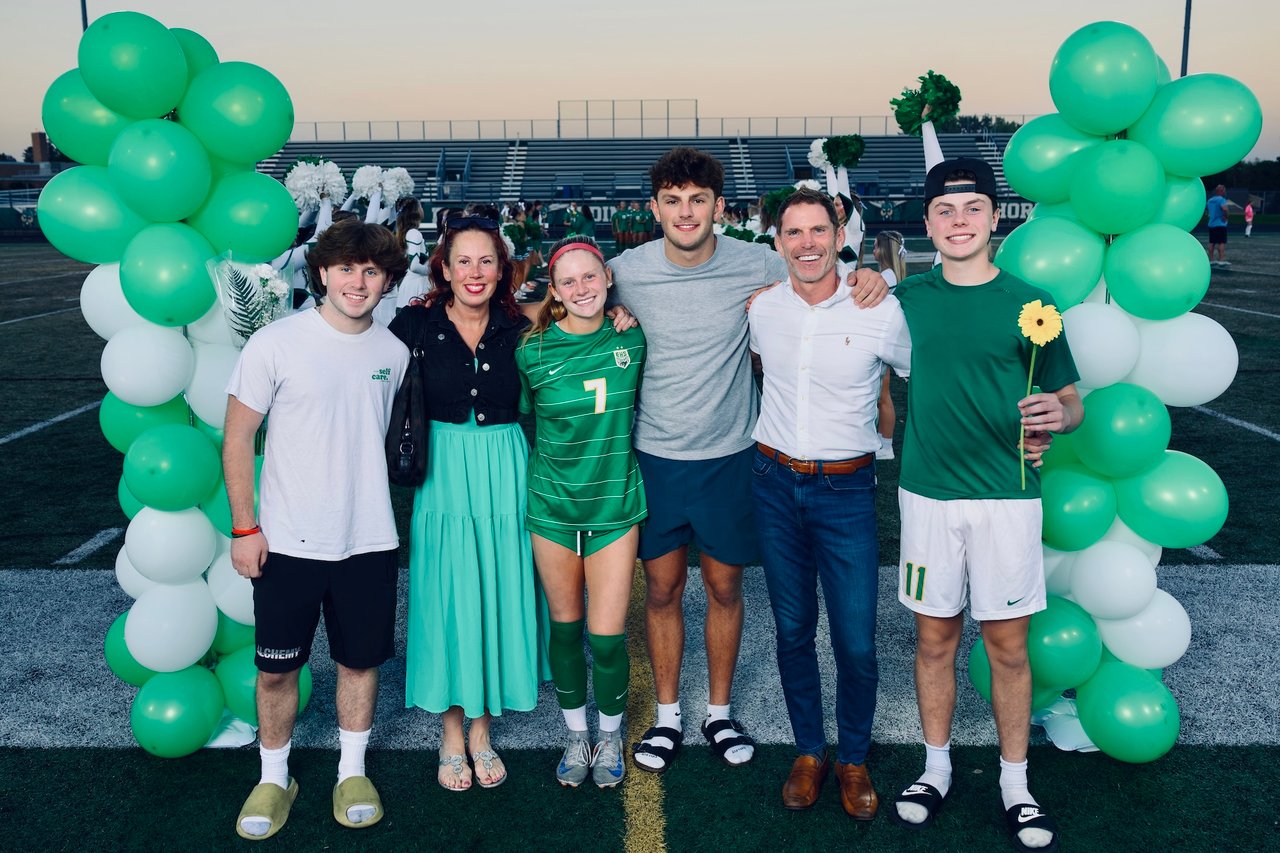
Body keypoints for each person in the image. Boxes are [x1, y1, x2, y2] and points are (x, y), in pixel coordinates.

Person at [609, 146, 888, 774]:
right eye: (674, 201)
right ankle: (668, 715)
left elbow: (818, 272)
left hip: (733, 456)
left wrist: (866, 272)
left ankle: (719, 710)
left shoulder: (757, 262)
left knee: (725, 585)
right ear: (654, 209)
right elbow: (561, 296)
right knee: (661, 588)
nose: (686, 212)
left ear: (719, 207)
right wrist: (609, 307)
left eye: (698, 200)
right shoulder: (624, 269)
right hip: (654, 455)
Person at [890, 158, 1082, 853]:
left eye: (973, 208)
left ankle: (1015, 781)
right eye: (945, 210)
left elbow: (1071, 401)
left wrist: (1057, 419)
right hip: (930, 497)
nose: (960, 220)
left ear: (996, 219)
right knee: (934, 638)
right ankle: (935, 767)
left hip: (1008, 497)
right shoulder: (905, 297)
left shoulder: (1034, 302)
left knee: (1007, 645)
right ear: (928, 222)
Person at [224, 218, 411, 840]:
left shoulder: (393, 352)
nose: (358, 281)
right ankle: (274, 776)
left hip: (368, 540)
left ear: (386, 281)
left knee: (360, 663)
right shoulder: (274, 343)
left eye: (371, 270)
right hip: (287, 541)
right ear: (322, 273)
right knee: (277, 670)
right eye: (346, 268)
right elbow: (237, 438)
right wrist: (245, 527)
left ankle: (350, 771)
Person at [748, 188, 911, 818]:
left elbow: (929, 370)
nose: (808, 243)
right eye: (794, 232)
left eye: (819, 230)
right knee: (792, 630)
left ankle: (853, 758)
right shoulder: (762, 309)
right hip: (773, 482)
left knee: (856, 639)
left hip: (845, 490)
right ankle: (810, 750)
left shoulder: (880, 308)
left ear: (839, 232)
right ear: (778, 240)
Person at [388, 208, 543, 792]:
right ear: (444, 269)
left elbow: (588, 316)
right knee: (449, 591)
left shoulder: (523, 323)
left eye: (486, 260)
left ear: (502, 268)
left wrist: (621, 310)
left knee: (498, 587)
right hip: (443, 472)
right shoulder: (412, 325)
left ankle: (482, 729)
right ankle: (452, 733)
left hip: (505, 465)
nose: (475, 272)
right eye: (463, 262)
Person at [516, 235, 647, 789]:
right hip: (552, 507)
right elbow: (527, 420)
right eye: (567, 281)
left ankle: (611, 732)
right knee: (565, 630)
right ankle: (576, 733)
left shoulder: (632, 337)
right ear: (556, 291)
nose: (580, 288)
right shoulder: (532, 350)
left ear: (608, 278)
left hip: (615, 507)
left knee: (608, 636)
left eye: (589, 277)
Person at [872, 230, 909, 460]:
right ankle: (884, 443)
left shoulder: (886, 276)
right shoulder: (893, 273)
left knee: (883, 396)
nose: (873, 251)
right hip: (889, 336)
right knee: (881, 395)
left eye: (876, 246)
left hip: (885, 337)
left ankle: (886, 446)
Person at [392, 198, 432, 311]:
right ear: (415, 211)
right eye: (420, 206)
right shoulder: (414, 233)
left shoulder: (406, 232)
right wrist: (433, 271)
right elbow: (414, 266)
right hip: (416, 287)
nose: (422, 208)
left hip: (412, 285)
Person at [1206, 184, 1229, 265]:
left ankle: (1211, 259)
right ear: (1221, 191)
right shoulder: (1222, 200)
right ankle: (1221, 259)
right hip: (1220, 224)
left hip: (1211, 224)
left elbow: (1208, 211)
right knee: (1221, 242)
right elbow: (1224, 209)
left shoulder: (1210, 200)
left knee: (1211, 242)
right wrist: (1226, 216)